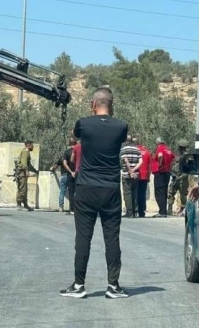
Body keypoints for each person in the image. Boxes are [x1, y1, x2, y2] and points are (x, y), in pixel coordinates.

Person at [60, 86, 129, 300]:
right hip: (110, 189)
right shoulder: (121, 126)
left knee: (83, 237)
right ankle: (113, 286)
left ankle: (79, 285)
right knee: (112, 238)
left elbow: (74, 135)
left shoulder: (83, 124)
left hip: (86, 188)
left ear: (93, 104)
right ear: (112, 105)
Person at [151, 137, 175, 218]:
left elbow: (160, 155)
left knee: (159, 192)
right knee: (164, 191)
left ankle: (161, 212)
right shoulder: (167, 149)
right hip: (167, 172)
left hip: (160, 173)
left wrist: (160, 164)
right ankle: (163, 211)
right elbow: (173, 157)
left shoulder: (160, 148)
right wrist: (169, 166)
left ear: (157, 142)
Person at [52, 138, 76, 214]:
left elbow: (55, 166)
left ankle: (61, 206)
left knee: (62, 191)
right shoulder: (77, 153)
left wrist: (52, 169)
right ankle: (73, 208)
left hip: (64, 175)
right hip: (74, 174)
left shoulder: (64, 155)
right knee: (73, 192)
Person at [120, 136, 143, 218]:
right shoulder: (137, 149)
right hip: (136, 174)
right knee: (134, 193)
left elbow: (125, 160)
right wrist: (134, 169)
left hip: (127, 174)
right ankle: (135, 211)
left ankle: (129, 212)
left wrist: (130, 170)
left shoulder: (124, 149)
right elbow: (141, 161)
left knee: (127, 193)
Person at [168, 139, 191, 217]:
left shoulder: (187, 157)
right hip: (175, 178)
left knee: (183, 195)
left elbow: (188, 170)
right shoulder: (178, 156)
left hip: (183, 179)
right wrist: (173, 174)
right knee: (171, 193)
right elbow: (173, 166)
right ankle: (169, 209)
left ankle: (183, 210)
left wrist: (180, 177)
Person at [15, 140, 37, 211]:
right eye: (32, 145)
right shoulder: (26, 152)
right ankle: (18, 204)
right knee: (22, 189)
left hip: (21, 172)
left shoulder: (25, 151)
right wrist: (27, 171)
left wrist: (35, 171)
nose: (33, 147)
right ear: (29, 145)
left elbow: (28, 164)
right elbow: (24, 163)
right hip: (21, 172)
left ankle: (25, 204)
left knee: (24, 189)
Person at [133, 136, 151, 218]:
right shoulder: (146, 151)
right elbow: (149, 165)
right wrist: (148, 176)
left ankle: (134, 210)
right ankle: (141, 212)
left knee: (135, 193)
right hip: (144, 175)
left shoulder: (134, 151)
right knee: (142, 194)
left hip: (135, 175)